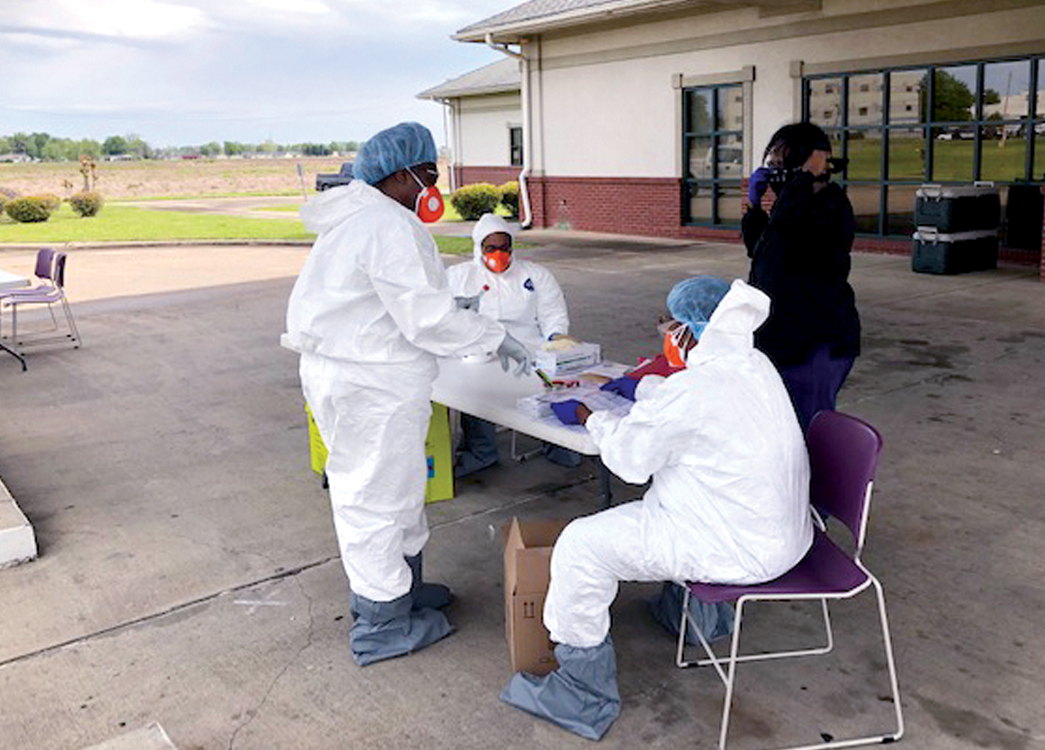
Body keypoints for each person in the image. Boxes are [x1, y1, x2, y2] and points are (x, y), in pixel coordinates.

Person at [500, 276, 813, 741]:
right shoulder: (753, 364)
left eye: (671, 325)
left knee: (581, 546)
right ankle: (694, 617)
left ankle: (582, 694)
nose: (666, 333)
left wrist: (591, 416)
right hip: (779, 534)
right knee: (660, 500)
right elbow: (687, 406)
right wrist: (643, 388)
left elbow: (631, 460)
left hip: (731, 545)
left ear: (691, 332)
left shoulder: (697, 391)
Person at [283, 122, 534, 666]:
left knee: (395, 489)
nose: (432, 185)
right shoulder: (386, 224)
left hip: (357, 373)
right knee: (375, 499)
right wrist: (493, 335)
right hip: (368, 381)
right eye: (427, 173)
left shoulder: (361, 218)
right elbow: (426, 319)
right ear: (399, 175)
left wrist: (452, 312)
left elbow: (389, 301)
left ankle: (402, 588)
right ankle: (382, 622)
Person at [743, 121, 860, 434]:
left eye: (782, 164)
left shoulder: (831, 205)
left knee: (805, 430)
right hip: (783, 337)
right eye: (771, 164)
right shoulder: (790, 206)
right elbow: (759, 249)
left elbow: (789, 228)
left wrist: (804, 177)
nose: (774, 173)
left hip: (815, 341)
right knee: (780, 427)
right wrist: (754, 208)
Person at [446, 213, 582, 475]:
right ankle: (482, 451)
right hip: (480, 351)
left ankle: (558, 443)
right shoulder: (459, 277)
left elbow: (553, 313)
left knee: (552, 383)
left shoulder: (535, 275)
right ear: (478, 247)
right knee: (475, 389)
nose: (499, 254)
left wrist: (555, 339)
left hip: (528, 348)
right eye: (491, 248)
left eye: (504, 248)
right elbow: (445, 317)